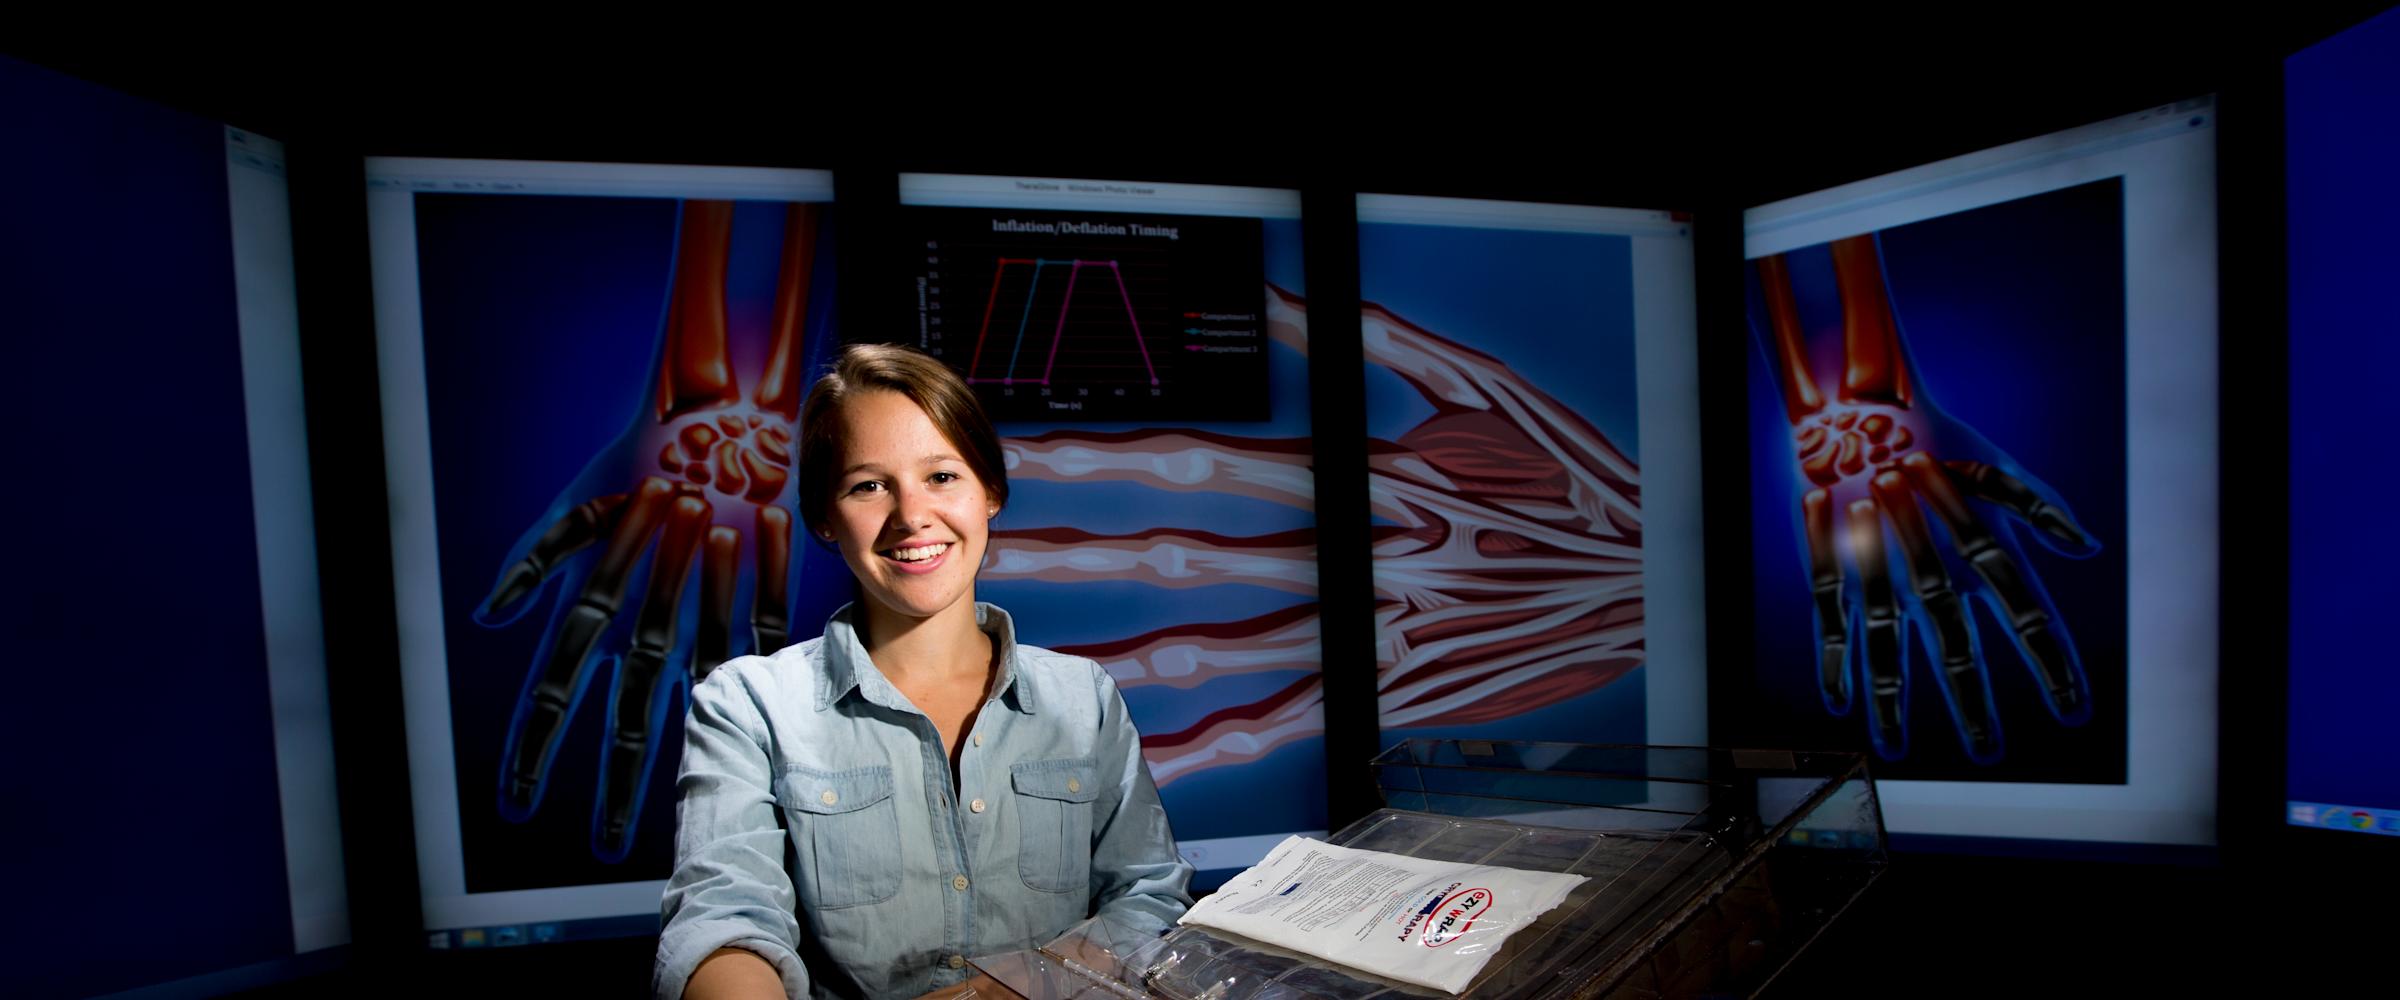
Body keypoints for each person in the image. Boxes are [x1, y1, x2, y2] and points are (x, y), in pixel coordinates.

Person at [655, 343, 1194, 1000]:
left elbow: (1147, 901)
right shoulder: (747, 706)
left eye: (942, 476)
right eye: (869, 485)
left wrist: (1000, 992)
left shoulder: (1085, 699)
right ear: (826, 518)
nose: (911, 516)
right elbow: (725, 921)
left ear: (990, 491)